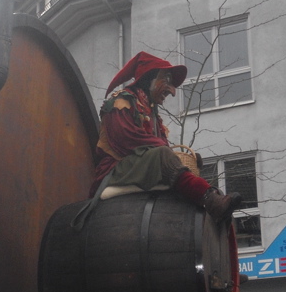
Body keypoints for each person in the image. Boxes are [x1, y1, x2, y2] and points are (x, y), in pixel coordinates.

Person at [91, 51, 241, 222]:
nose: (172, 91)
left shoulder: (152, 112)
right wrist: (166, 153)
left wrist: (176, 157)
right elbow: (126, 140)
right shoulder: (121, 101)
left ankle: (213, 201)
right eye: (167, 80)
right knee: (163, 154)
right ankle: (209, 198)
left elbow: (159, 147)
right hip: (117, 170)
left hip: (141, 167)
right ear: (149, 78)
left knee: (170, 158)